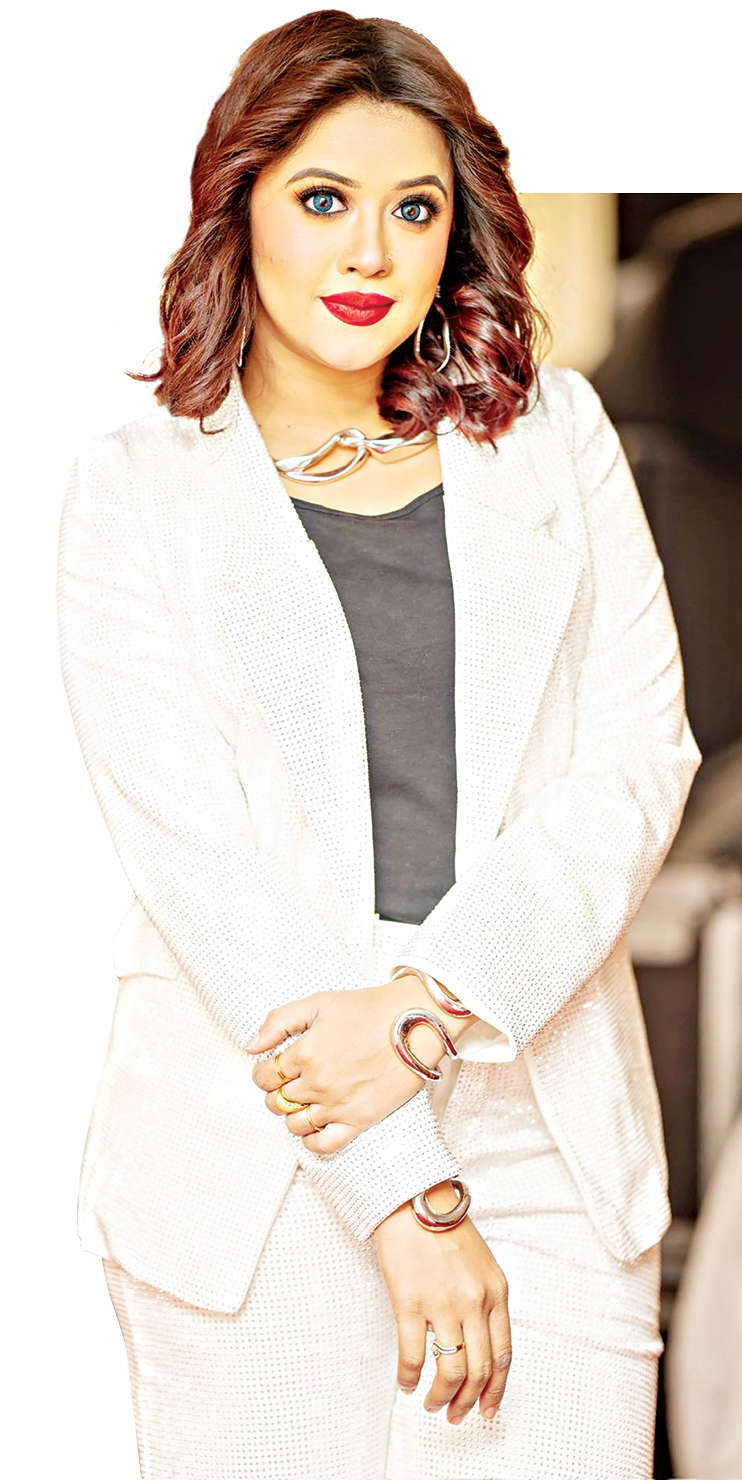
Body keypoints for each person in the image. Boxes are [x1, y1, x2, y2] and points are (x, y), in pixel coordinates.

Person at [56, 11, 702, 1479]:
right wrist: (405, 1192)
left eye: (414, 210)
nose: (370, 253)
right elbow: (204, 866)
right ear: (239, 208)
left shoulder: (554, 436)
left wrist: (428, 1004)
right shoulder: (136, 490)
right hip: (256, 1144)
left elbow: (633, 764)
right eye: (322, 200)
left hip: (542, 1110)